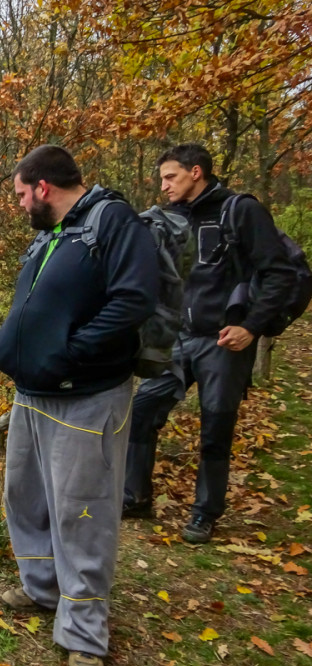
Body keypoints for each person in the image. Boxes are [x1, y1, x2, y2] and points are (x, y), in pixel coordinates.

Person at [0, 145, 158, 666]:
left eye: (20, 193)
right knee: (26, 495)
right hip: (33, 395)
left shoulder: (114, 222)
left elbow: (133, 300)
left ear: (42, 187)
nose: (18, 204)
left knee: (82, 513)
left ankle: (85, 634)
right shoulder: (53, 234)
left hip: (85, 396)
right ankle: (41, 587)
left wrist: (72, 352)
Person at [122, 144, 294, 544]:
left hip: (224, 342)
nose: (163, 185)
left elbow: (279, 273)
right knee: (142, 409)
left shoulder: (241, 211)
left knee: (216, 427)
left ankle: (205, 513)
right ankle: (135, 497)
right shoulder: (171, 217)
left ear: (196, 172)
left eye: (171, 177)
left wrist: (251, 327)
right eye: (162, 178)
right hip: (178, 341)